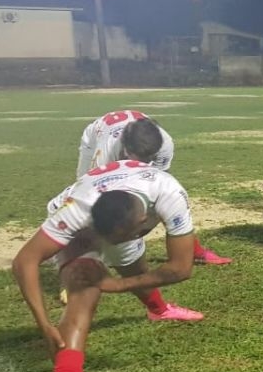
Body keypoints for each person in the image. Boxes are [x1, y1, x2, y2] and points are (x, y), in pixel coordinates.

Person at [11, 160, 205, 372]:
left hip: (125, 214)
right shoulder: (78, 209)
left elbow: (181, 268)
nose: (108, 244)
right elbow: (25, 261)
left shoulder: (170, 194)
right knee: (85, 286)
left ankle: (158, 309)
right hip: (82, 228)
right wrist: (44, 324)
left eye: (114, 238)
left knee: (133, 267)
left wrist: (118, 284)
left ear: (142, 222)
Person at [77, 110, 231, 264]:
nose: (140, 165)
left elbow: (160, 188)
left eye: (146, 159)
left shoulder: (165, 144)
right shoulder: (107, 149)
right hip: (95, 138)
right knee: (87, 199)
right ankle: (85, 251)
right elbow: (94, 192)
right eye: (135, 159)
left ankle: (196, 251)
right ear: (125, 147)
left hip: (129, 140)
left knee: (165, 199)